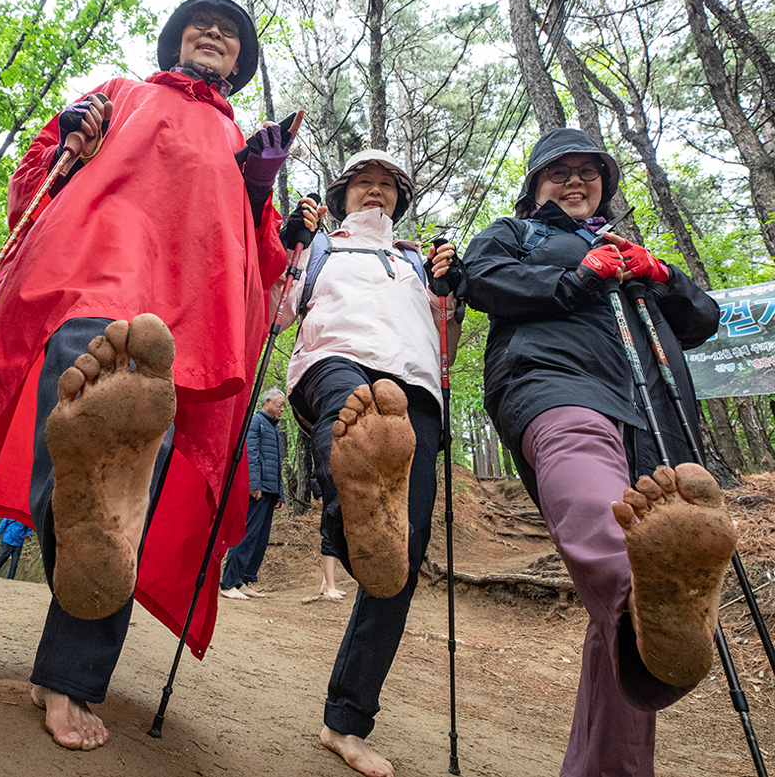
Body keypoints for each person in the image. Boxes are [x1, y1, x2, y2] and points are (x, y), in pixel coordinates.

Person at [0, 0, 292, 751]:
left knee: (130, 479)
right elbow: (34, 183)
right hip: (89, 281)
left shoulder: (240, 143)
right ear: (175, 41)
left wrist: (264, 198)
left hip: (185, 324)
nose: (216, 33)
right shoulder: (120, 94)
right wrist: (69, 132)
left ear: (240, 61)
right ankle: (70, 661)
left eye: (230, 33)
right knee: (76, 460)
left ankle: (69, 672)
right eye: (203, 23)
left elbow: (261, 270)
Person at [462, 127, 736, 776]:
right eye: (559, 172)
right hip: (554, 383)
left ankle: (611, 751)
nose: (576, 181)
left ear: (605, 187)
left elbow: (701, 318)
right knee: (604, 509)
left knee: (621, 622)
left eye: (589, 171)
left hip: (650, 415)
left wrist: (659, 272)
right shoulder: (518, 234)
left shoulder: (628, 249)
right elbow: (481, 279)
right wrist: (575, 281)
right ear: (534, 189)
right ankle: (645, 588)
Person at [275, 149, 464, 777]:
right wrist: (290, 245)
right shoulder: (321, 245)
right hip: (336, 358)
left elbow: (448, 347)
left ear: (400, 199)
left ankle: (345, 725)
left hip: (415, 387)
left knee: (399, 561)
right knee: (348, 430)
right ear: (344, 194)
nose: (375, 192)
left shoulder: (416, 260)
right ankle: (356, 526)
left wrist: (448, 291)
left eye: (386, 185)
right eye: (364, 184)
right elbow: (276, 312)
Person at [220, 388, 286, 600]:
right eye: (280, 405)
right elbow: (251, 455)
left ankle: (245, 580)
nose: (282, 409)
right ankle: (229, 583)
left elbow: (277, 464)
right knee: (247, 536)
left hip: (269, 491)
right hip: (257, 491)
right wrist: (253, 484)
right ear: (268, 401)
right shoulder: (255, 422)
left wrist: (280, 494)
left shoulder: (274, 428)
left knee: (260, 539)